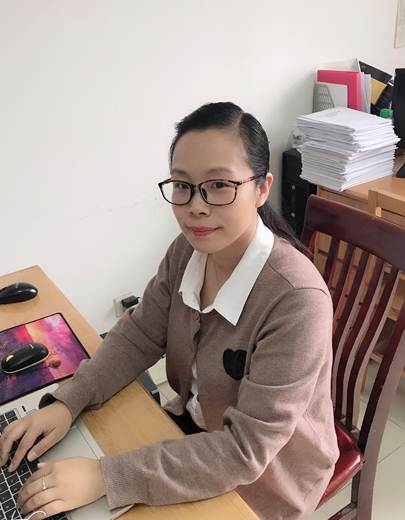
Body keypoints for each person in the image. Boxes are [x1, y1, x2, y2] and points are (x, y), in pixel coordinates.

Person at [0, 102, 339, 520]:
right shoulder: (188, 251)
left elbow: (244, 452)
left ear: (262, 188)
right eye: (182, 185)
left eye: (219, 185)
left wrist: (105, 477)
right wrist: (67, 403)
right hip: (195, 434)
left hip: (267, 479)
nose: (196, 206)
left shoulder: (297, 300)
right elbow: (139, 333)